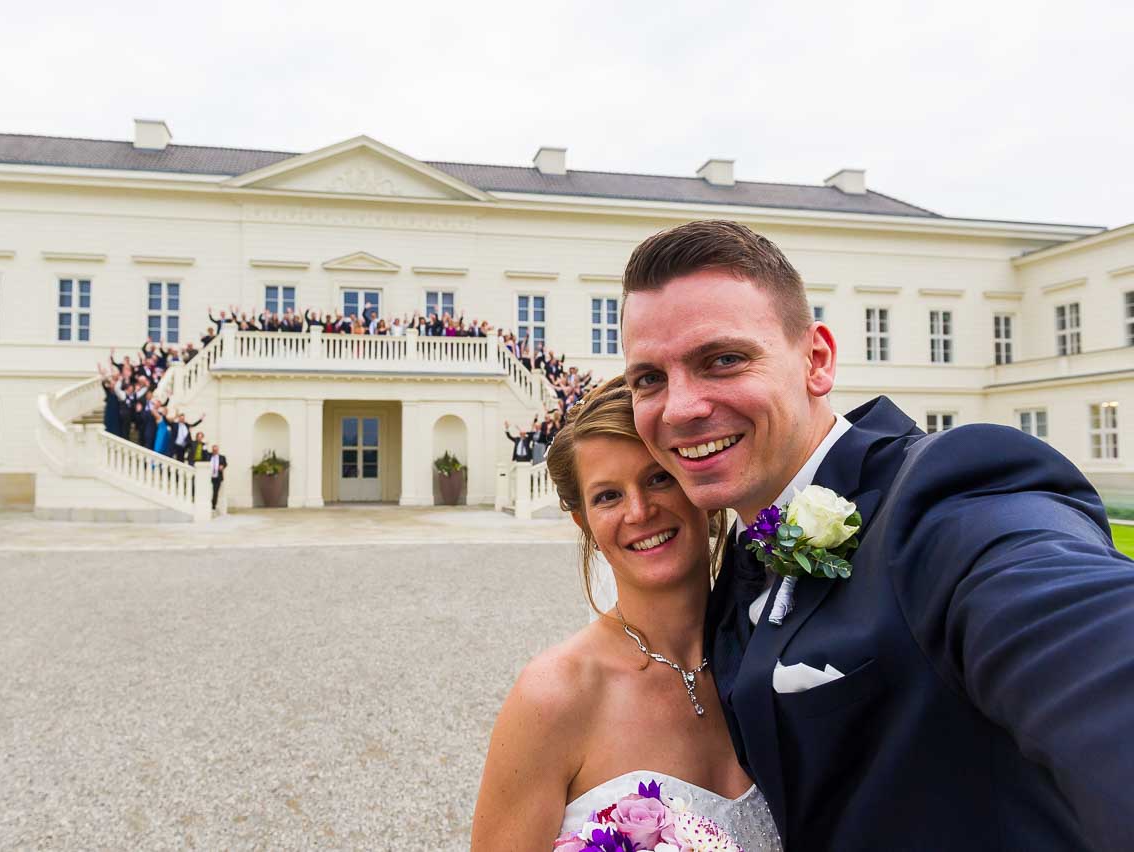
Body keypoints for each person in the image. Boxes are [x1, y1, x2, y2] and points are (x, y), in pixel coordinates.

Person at [620, 219, 1134, 851]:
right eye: (649, 378)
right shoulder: (735, 561)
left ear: (816, 360)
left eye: (723, 360)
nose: (680, 408)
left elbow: (1079, 633)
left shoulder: (950, 490)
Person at [472, 378, 780, 851]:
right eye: (608, 496)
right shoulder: (553, 697)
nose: (639, 511)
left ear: (699, 484)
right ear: (586, 524)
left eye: (659, 478)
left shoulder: (777, 650)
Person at [208, 444, 227, 510]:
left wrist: (222, 466)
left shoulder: (222, 457)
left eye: (216, 450)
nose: (215, 451)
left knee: (215, 491)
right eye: (213, 450)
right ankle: (207, 503)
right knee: (208, 491)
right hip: (208, 477)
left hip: (217, 477)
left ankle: (213, 505)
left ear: (218, 450)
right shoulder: (208, 456)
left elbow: (225, 464)